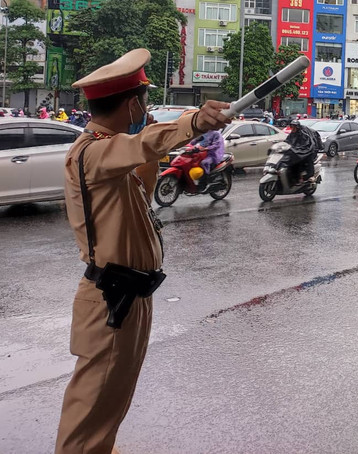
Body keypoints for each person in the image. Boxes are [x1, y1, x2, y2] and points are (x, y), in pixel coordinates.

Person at [55, 49, 231, 454]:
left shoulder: (110, 154)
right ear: (133, 103)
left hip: (128, 295)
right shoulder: (93, 151)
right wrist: (192, 122)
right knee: (92, 405)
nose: (146, 110)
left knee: (111, 400)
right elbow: (142, 144)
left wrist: (151, 150)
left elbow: (141, 185)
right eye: (144, 100)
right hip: (111, 298)